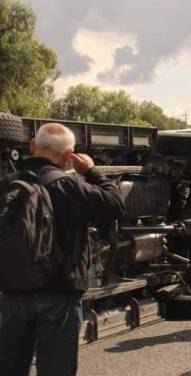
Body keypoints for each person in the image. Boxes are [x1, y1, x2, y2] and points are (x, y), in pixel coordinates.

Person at [0, 123, 125, 376]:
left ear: (32, 146)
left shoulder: (7, 184)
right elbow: (115, 205)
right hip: (61, 293)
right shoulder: (71, 187)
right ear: (69, 157)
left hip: (13, 292)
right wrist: (92, 171)